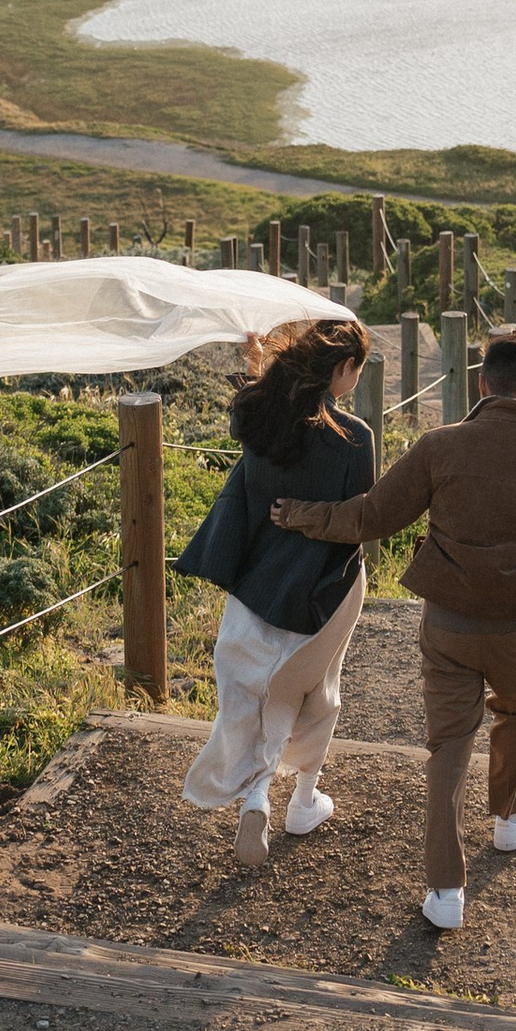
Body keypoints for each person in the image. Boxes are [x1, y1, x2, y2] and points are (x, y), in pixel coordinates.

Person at [273, 329, 516, 931]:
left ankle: (446, 893)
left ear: (480, 384)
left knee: (449, 745)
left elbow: (371, 516)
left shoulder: (439, 446)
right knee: (515, 707)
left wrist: (297, 514)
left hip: (447, 622)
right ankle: (506, 818)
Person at [175, 312, 373, 868]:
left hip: (253, 581)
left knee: (250, 695)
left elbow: (256, 407)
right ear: (342, 368)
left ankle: (256, 794)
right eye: (357, 370)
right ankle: (301, 800)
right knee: (313, 694)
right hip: (321, 592)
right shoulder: (355, 440)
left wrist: (257, 365)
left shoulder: (256, 415)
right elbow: (358, 520)